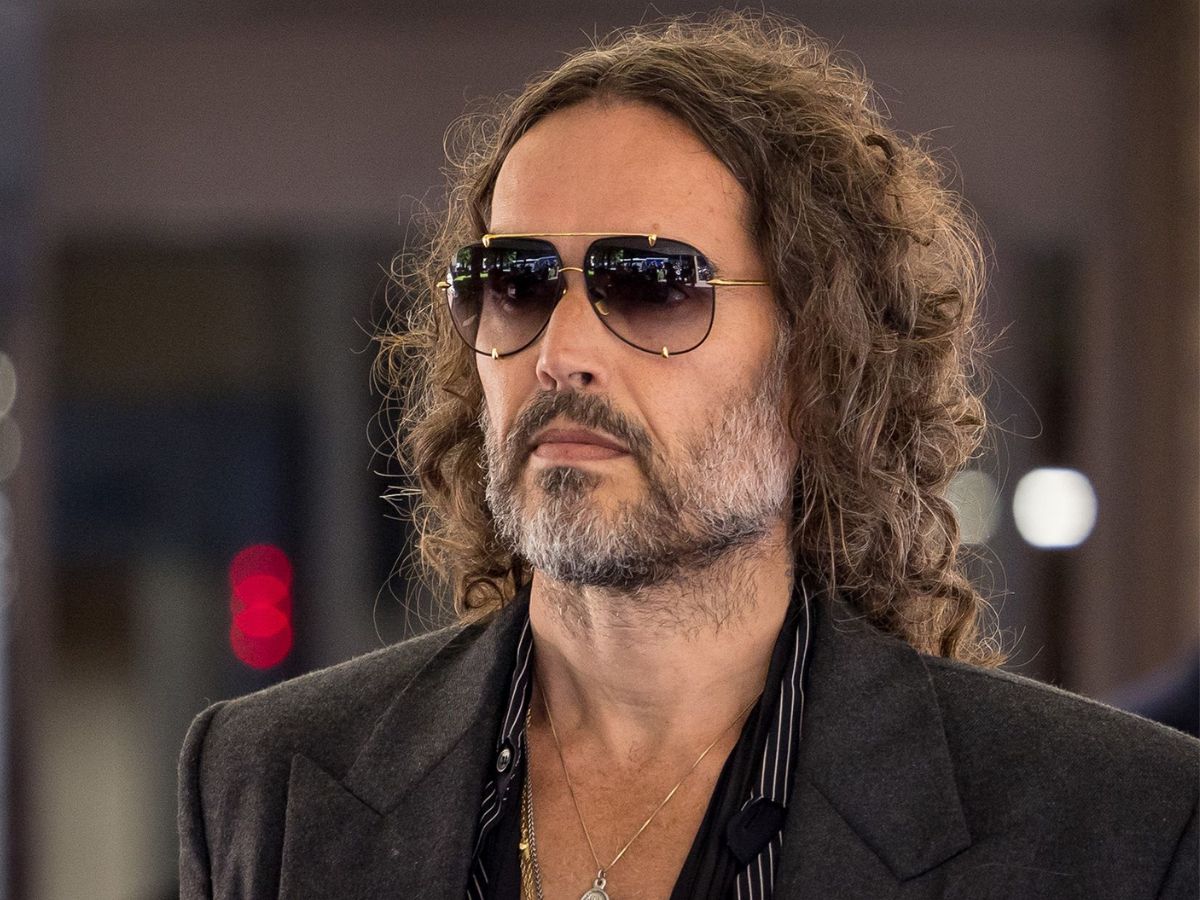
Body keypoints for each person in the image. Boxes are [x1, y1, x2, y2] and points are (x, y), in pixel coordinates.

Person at [178, 13, 1199, 899]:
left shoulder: (1111, 821)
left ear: (820, 359)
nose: (560, 353)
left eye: (652, 286)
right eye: (516, 282)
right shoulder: (269, 781)